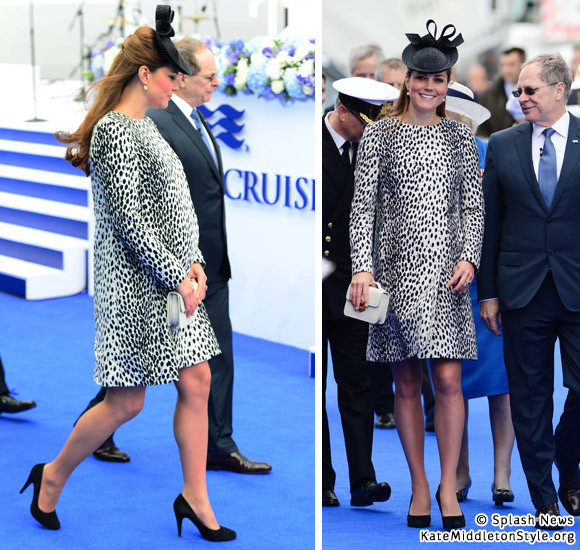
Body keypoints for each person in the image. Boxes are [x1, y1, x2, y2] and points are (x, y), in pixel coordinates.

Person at [20, 7, 235, 542]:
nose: (178, 84)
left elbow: (177, 210)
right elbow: (132, 223)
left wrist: (196, 264)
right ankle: (50, 475)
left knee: (198, 379)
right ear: (146, 74)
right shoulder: (117, 132)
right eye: (171, 76)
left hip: (174, 284)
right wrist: (177, 275)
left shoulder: (146, 125)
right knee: (126, 401)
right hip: (134, 292)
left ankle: (194, 496)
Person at [349, 20, 484, 530]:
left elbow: (474, 208)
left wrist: (469, 257)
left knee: (448, 379)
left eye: (440, 79)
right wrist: (362, 265)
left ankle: (449, 485)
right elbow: (363, 208)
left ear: (448, 84)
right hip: (395, 272)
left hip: (449, 275)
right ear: (407, 80)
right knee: (406, 380)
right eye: (422, 78)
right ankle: (420, 486)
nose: (430, 87)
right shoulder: (380, 133)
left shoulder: (460, 136)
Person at [147, 37, 271, 475]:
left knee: (220, 356)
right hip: (176, 268)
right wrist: (175, 264)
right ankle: (99, 425)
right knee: (140, 363)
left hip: (212, 264)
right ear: (179, 79)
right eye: (210, 76)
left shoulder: (196, 118)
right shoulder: (157, 122)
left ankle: (220, 443)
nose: (218, 83)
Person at [479, 52, 580, 529]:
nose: (520, 98)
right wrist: (488, 293)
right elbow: (490, 225)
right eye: (518, 91)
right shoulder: (502, 144)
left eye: (530, 90)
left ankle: (566, 459)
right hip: (521, 292)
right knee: (530, 397)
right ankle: (545, 501)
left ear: (560, 89)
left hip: (578, 288)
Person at [322, 76, 398, 508]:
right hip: (317, 281)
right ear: (344, 111)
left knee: (357, 384)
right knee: (319, 395)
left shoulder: (374, 148)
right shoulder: (312, 142)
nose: (372, 133)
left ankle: (362, 480)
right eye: (365, 123)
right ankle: (325, 479)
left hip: (358, 285)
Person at [444, 81, 516, 506]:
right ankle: (460, 470)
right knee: (452, 383)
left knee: (501, 382)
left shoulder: (494, 152)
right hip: (442, 285)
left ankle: (502, 474)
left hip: (489, 283)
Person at [478, 47, 526, 138]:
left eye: (511, 64)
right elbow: (482, 129)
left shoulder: (536, 92)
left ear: (523, 64)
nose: (506, 70)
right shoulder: (488, 95)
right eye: (503, 65)